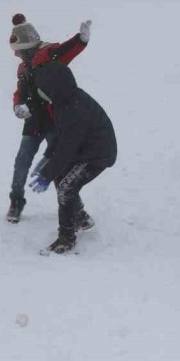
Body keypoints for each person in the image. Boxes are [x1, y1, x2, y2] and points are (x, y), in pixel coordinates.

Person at [6, 14, 91, 223]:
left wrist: (80, 39)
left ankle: (77, 210)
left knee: (59, 165)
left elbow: (67, 49)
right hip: (33, 123)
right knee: (22, 162)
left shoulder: (49, 54)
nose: (15, 54)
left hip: (55, 122)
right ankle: (16, 201)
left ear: (28, 47)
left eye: (18, 50)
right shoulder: (23, 68)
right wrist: (18, 106)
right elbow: (20, 92)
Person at [27, 61, 117, 255]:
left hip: (97, 154)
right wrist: (47, 157)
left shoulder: (74, 108)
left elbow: (67, 148)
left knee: (66, 187)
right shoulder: (63, 101)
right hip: (83, 149)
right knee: (62, 179)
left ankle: (66, 239)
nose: (41, 92)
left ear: (54, 87)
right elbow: (61, 135)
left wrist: (47, 173)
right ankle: (80, 218)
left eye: (43, 89)